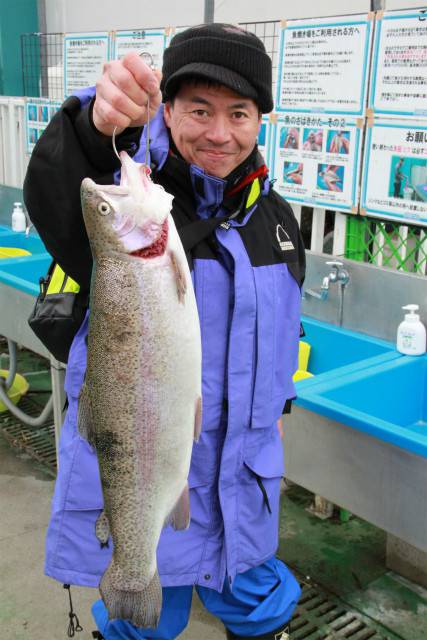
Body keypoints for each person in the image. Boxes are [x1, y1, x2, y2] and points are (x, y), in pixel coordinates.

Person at [24, 23, 305, 640]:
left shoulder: (277, 219)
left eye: (240, 112)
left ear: (261, 119)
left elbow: (284, 330)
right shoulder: (143, 202)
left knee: (261, 603)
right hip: (151, 473)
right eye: (198, 109)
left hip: (243, 481)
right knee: (143, 617)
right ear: (167, 109)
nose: (219, 132)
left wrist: (278, 404)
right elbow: (56, 192)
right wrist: (93, 127)